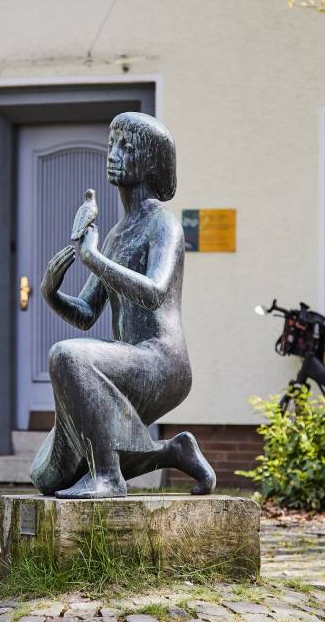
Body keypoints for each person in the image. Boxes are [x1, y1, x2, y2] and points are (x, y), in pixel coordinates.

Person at [30, 112, 216, 499]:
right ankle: (170, 452)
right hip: (127, 361)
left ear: (150, 162)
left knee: (67, 356)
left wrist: (93, 258)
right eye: (111, 143)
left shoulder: (164, 224)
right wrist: (51, 292)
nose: (112, 153)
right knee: (46, 475)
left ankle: (109, 477)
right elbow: (85, 314)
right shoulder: (115, 235)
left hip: (162, 362)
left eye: (126, 146)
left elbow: (154, 292)